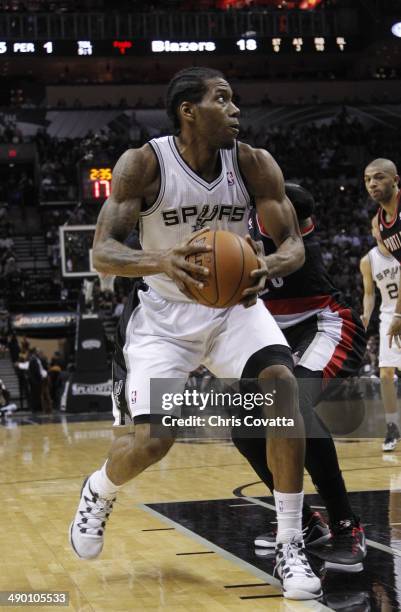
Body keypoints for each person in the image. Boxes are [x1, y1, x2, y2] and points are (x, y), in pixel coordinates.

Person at [69, 67, 322, 600]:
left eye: (234, 99)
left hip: (235, 307)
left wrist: (269, 265)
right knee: (155, 442)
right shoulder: (143, 164)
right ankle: (100, 488)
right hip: (164, 317)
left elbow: (294, 243)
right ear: (189, 110)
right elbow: (101, 252)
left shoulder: (252, 163)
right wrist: (163, 258)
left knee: (281, 385)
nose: (235, 110)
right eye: (222, 99)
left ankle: (290, 542)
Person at [232, 183, 367, 572]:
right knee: (244, 428)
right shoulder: (228, 224)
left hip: (322, 323)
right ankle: (306, 522)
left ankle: (346, 526)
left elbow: (297, 202)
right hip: (273, 334)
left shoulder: (287, 216)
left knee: (297, 408)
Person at [360, 216, 400, 451]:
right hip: (387, 317)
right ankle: (392, 426)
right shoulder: (369, 260)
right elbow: (369, 293)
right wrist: (366, 315)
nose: (380, 230)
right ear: (374, 231)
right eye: (376, 227)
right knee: (385, 374)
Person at [364, 159, 401, 349]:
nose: (372, 184)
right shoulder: (377, 224)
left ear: (395, 180)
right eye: (367, 179)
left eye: (379, 177)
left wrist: (398, 314)